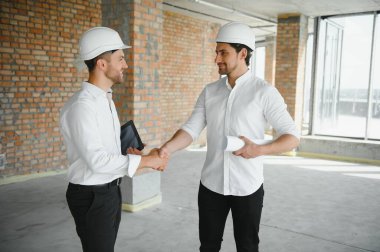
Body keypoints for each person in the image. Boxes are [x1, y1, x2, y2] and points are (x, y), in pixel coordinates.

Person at [159, 22, 300, 252]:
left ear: (243, 53)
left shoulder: (263, 92)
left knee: (247, 246)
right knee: (208, 246)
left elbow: (292, 136)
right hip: (211, 186)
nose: (216, 59)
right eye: (216, 52)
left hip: (247, 187)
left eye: (223, 52)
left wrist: (259, 150)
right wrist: (167, 148)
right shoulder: (210, 91)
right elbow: (191, 129)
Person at [60, 27, 167, 252]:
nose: (125, 65)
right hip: (92, 196)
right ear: (102, 63)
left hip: (109, 190)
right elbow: (97, 161)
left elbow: (103, 148)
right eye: (120, 59)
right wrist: (148, 161)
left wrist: (128, 153)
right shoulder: (83, 107)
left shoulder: (106, 98)